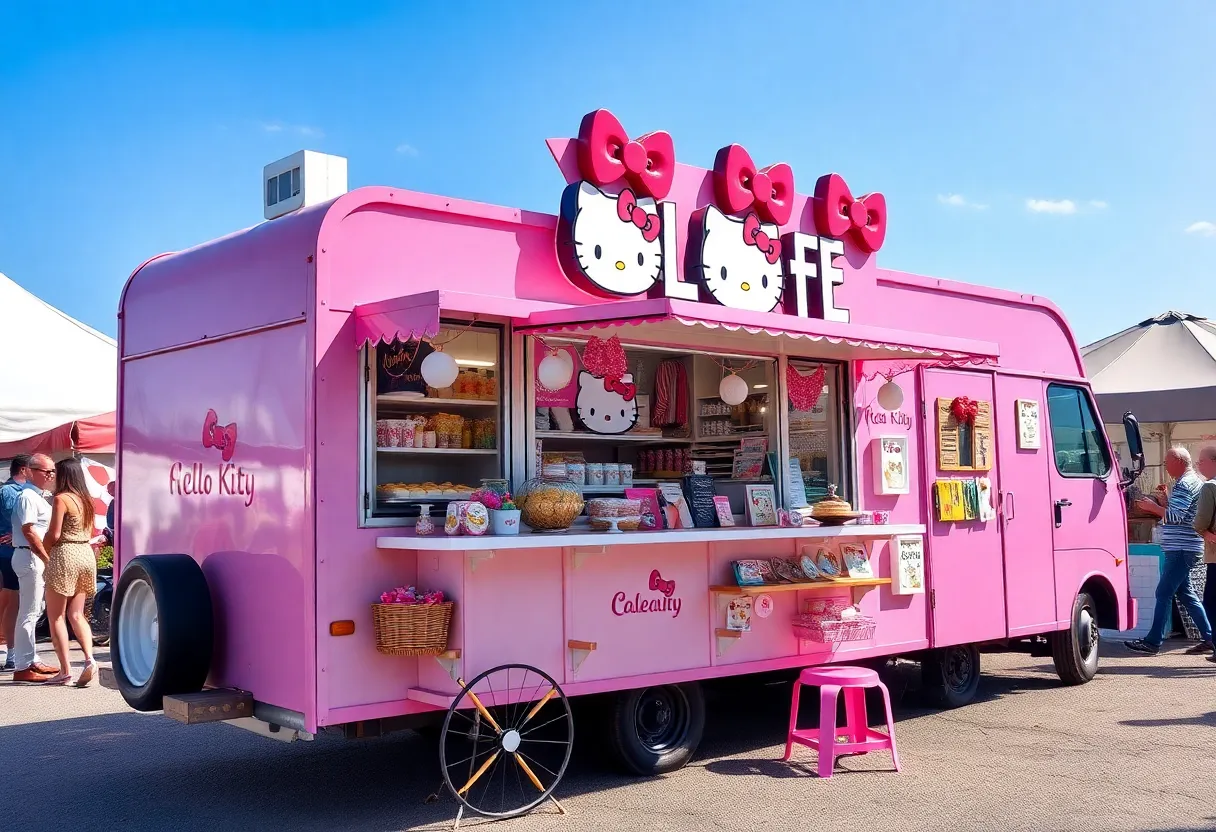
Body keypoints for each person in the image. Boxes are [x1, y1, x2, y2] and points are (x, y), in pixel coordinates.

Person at [1126, 447, 1213, 655]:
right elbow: (1182, 513)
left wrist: (1152, 507)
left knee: (1163, 592)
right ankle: (1210, 638)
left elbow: (1175, 517)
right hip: (1185, 547)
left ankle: (1153, 641)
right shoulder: (1191, 482)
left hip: (1182, 548)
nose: (1165, 465)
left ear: (1177, 461)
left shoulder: (1185, 484)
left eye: (1166, 461)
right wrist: (1165, 502)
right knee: (1186, 595)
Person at [42, 458, 98, 686]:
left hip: (65, 553)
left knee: (55, 615)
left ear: (63, 475)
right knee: (77, 614)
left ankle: (65, 671)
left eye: (56, 472)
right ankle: (90, 659)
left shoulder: (61, 499)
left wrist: (43, 549)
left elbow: (54, 534)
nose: (53, 476)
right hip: (85, 553)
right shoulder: (87, 500)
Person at [10, 453, 60, 682]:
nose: (50, 474)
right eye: (45, 470)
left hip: (31, 556)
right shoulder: (28, 496)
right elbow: (29, 531)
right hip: (30, 557)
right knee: (29, 612)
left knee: (34, 610)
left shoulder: (38, 496)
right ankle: (22, 665)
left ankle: (30, 659)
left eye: (52, 470)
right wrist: (46, 557)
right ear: (29, 471)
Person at [0, 454, 33, 671]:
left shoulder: (23, 492)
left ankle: (16, 652)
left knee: (20, 602)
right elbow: (21, 522)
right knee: (15, 602)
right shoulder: (11, 492)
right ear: (23, 470)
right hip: (11, 553)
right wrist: (15, 533)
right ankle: (13, 652)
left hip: (17, 551)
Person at [1193, 445, 1216, 662]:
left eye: (1201, 461)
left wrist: (1204, 533)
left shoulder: (1209, 487)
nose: (1198, 466)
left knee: (1211, 601)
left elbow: (1200, 521)